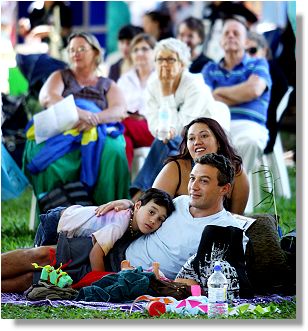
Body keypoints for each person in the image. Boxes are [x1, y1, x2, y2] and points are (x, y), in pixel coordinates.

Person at [1, 153, 247, 292]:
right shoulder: (180, 202)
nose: (193, 186)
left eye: (204, 181)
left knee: (35, 280)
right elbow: (149, 204)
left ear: (224, 188)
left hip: (133, 279)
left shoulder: (227, 229)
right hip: (115, 248)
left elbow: (217, 279)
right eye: (193, 178)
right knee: (44, 255)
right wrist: (127, 204)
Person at [23, 32, 130, 206]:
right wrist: (80, 113)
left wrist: (93, 118)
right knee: (44, 154)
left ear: (95, 52)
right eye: (72, 50)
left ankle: (108, 210)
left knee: (115, 151)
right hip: (65, 128)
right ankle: (56, 213)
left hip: (97, 129)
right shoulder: (61, 75)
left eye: (81, 48)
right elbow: (48, 97)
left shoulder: (106, 84)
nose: (76, 53)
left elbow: (119, 110)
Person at [130, 37, 230, 200]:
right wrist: (164, 132)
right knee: (164, 142)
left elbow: (184, 129)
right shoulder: (153, 84)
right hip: (171, 146)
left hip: (202, 144)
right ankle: (144, 198)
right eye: (160, 59)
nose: (164, 64)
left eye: (170, 59)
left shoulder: (194, 85)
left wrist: (167, 93)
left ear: (182, 64)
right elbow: (155, 126)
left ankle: (139, 198)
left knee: (167, 141)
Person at [101, 117, 249, 215]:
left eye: (204, 136)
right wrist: (129, 204)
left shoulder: (237, 174)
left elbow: (234, 220)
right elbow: (150, 206)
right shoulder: (175, 168)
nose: (197, 141)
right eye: (191, 138)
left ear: (218, 141)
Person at [201, 17, 272, 176]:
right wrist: (241, 93)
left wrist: (219, 92)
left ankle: (235, 194)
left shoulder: (258, 63)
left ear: (246, 42)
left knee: (250, 142)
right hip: (218, 126)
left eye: (236, 33)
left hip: (250, 125)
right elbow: (205, 99)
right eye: (226, 33)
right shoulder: (209, 68)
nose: (230, 36)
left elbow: (254, 90)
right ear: (220, 41)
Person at [57, 188, 175, 273]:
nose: (153, 220)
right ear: (138, 206)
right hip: (58, 221)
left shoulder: (135, 223)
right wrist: (102, 283)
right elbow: (95, 254)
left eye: (160, 219)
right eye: (151, 212)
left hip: (67, 227)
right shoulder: (120, 224)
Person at [117, 33, 156, 169]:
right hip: (129, 127)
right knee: (124, 141)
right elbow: (118, 105)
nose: (139, 53)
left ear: (154, 52)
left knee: (120, 127)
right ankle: (126, 187)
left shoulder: (161, 77)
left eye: (145, 49)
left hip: (153, 128)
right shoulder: (124, 79)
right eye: (135, 50)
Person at [246, 31, 289, 154]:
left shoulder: (267, 71)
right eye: (244, 52)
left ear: (264, 51)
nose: (248, 56)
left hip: (260, 133)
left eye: (252, 51)